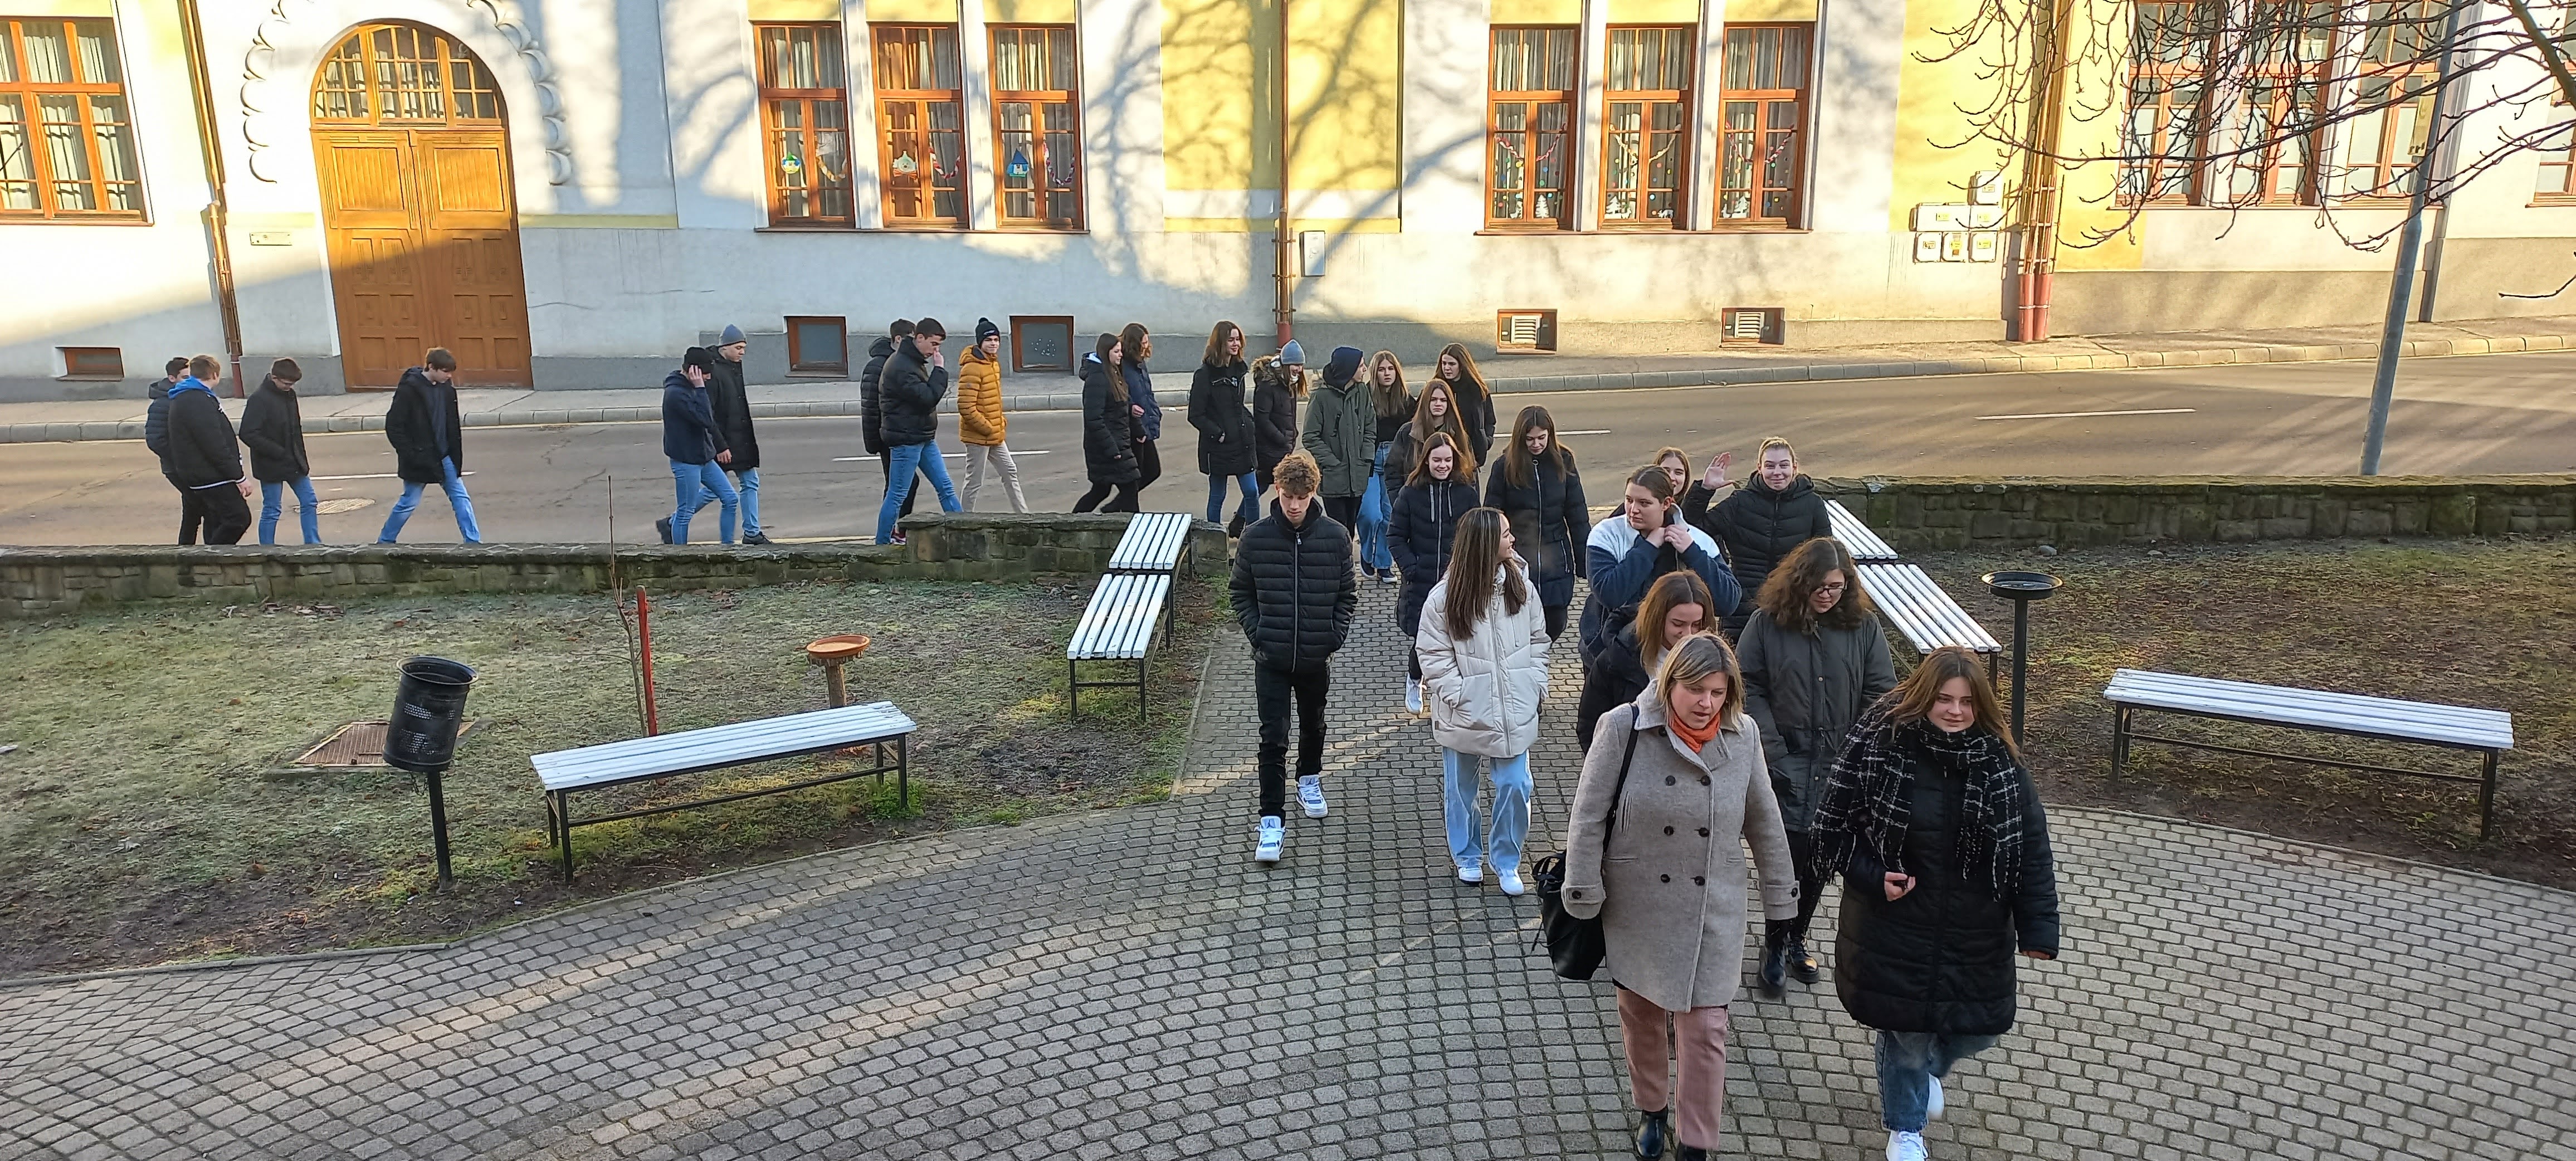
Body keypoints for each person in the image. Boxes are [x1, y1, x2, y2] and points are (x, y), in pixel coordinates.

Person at [1812, 647, 2061, 1161]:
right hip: (1895, 922)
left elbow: (2032, 848)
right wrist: (1874, 878)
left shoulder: (2001, 762)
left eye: (1966, 702)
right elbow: (1834, 831)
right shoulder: (1882, 746)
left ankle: (1929, 1071)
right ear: (1924, 696)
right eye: (1945, 699)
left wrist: (2038, 929)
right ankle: (1906, 1132)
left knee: (1979, 1031)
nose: (1955, 711)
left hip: (1976, 928)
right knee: (1906, 1035)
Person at [1562, 633, 1799, 1161]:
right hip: (1639, 903)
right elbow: (1588, 814)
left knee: (1708, 1027)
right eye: (1695, 690)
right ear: (1670, 683)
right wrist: (1582, 887)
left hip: (1714, 905)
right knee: (1642, 1016)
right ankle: (1652, 1108)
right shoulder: (1622, 727)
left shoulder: (1744, 735)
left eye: (1717, 692)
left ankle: (1696, 1142)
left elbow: (1764, 820)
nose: (1706, 703)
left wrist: (1781, 899)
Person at [1735, 536, 1897, 998]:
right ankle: (1774, 943)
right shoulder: (1766, 624)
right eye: (1820, 587)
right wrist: (1773, 749)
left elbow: (1880, 692)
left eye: (1837, 587)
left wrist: (1859, 751)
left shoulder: (1863, 627)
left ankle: (1796, 937)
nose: (1828, 595)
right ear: (1801, 582)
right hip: (1785, 761)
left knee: (1820, 860)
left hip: (1839, 766)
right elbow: (1747, 686)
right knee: (1784, 859)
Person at [1414, 506, 1549, 895]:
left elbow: (1539, 640)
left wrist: (1536, 684)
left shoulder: (1521, 587)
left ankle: (1507, 861)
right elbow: (1433, 654)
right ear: (1486, 543)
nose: (1513, 539)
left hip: (1514, 710)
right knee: (1461, 790)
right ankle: (1467, 855)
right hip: (1464, 713)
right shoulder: (1443, 598)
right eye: (1505, 534)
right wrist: (1460, 696)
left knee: (1517, 785)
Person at [1231, 449, 1358, 864]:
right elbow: (1240, 592)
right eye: (1288, 497)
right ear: (1278, 491)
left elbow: (1347, 595)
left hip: (1315, 656)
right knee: (1273, 737)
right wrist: (1259, 633)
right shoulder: (1256, 537)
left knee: (1313, 724)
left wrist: (1332, 637)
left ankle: (1309, 777)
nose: (1295, 506)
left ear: (1313, 493)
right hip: (1271, 657)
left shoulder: (1335, 537)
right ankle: (1271, 820)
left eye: (1302, 498)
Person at [1580, 465, 1740, 664]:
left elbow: (1728, 602)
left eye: (1644, 503)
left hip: (1677, 658)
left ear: (1666, 504)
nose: (1633, 510)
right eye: (1629, 500)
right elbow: (1610, 595)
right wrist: (1648, 548)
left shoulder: (1696, 539)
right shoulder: (1606, 533)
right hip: (1610, 655)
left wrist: (1692, 552)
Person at [1684, 436, 1829, 636]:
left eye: (1784, 465)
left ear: (1795, 467)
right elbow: (1693, 529)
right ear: (1759, 468)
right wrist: (1704, 490)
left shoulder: (1812, 504)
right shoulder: (1740, 503)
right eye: (1770, 466)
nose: (1777, 472)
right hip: (1742, 610)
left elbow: (1826, 555)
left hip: (1793, 606)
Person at [1387, 431, 1479, 715]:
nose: (1443, 465)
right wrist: (1411, 568)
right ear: (1426, 460)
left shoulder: (1466, 493)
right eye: (1437, 460)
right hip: (1422, 582)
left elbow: (1477, 536)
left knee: (1458, 638)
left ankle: (1448, 694)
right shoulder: (1411, 493)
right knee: (1423, 639)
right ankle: (1415, 680)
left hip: (1457, 580)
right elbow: (1395, 536)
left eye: (1448, 460)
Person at [1575, 569, 1715, 752]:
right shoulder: (1616, 660)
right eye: (1678, 624)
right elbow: (1590, 726)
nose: (1688, 634)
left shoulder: (1716, 662)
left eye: (1697, 625)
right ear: (1657, 619)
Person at [1484, 405, 1588, 639]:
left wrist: (1584, 561)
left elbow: (1577, 514)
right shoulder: (1504, 466)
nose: (1536, 444)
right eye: (1530, 439)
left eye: (1542, 438)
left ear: (1550, 435)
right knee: (1518, 624)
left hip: (1556, 556)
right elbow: (1492, 516)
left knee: (1555, 622)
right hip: (1518, 557)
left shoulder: (1564, 461)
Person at [378, 347, 481, 544]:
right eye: (445, 371)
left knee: (461, 498)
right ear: (431, 367)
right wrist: (412, 455)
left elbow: (451, 423)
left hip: (444, 456)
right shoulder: (409, 390)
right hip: (420, 458)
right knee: (409, 502)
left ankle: (473, 542)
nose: (449, 376)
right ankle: (385, 541)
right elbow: (394, 427)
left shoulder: (446, 388)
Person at [876, 318, 964, 544]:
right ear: (920, 338)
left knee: (945, 487)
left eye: (939, 346)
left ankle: (964, 534)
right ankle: (882, 543)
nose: (936, 351)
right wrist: (940, 370)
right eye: (934, 344)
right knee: (897, 494)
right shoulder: (902, 366)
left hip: (922, 436)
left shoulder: (912, 361)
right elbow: (927, 399)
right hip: (906, 439)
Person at [164, 354, 255, 545]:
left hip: (202, 473)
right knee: (238, 518)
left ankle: (211, 557)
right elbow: (214, 444)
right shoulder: (196, 400)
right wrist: (239, 477)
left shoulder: (193, 397)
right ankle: (212, 556)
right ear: (215, 375)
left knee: (216, 519)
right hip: (210, 475)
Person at [695, 324, 772, 543]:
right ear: (725, 348)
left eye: (744, 348)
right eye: (738, 348)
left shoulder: (732, 366)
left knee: (749, 481)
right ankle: (675, 521)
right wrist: (721, 446)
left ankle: (752, 532)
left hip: (739, 440)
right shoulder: (713, 372)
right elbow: (709, 414)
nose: (742, 352)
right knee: (716, 489)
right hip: (725, 443)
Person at [238, 358, 321, 545]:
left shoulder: (289, 395)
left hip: (294, 461)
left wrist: (300, 457)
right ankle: (267, 548)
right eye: (286, 384)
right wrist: (277, 451)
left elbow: (295, 430)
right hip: (271, 463)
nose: (289, 387)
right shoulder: (259, 399)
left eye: (292, 384)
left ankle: (313, 544)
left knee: (309, 501)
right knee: (272, 509)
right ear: (274, 378)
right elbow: (248, 433)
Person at [662, 346, 740, 544]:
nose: (708, 378)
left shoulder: (691, 388)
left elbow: (708, 420)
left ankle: (728, 548)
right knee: (685, 512)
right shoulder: (676, 394)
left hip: (704, 457)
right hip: (686, 461)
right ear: (693, 371)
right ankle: (680, 555)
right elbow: (706, 419)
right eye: (705, 374)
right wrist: (700, 388)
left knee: (730, 498)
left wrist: (718, 447)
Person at [1188, 321, 1258, 535]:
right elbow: (1195, 415)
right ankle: (1214, 540)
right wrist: (1218, 433)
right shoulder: (1205, 374)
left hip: (1242, 442)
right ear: (1220, 342)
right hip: (1218, 447)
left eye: (1238, 340)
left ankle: (1254, 537)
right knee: (1218, 495)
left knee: (1252, 492)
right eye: (1231, 340)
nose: (1236, 344)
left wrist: (1249, 423)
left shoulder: (1239, 370)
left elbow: (1237, 405)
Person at [860, 320, 925, 540]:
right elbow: (870, 409)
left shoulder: (897, 362)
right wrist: (875, 441)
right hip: (888, 435)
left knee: (901, 485)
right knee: (900, 486)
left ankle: (894, 532)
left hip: (895, 433)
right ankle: (891, 533)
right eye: (912, 338)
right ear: (899, 339)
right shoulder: (880, 366)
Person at [957, 318, 1030, 514]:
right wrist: (987, 427)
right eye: (989, 340)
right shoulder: (972, 367)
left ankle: (1024, 516)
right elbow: (966, 407)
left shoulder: (993, 364)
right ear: (980, 342)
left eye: (997, 340)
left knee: (1010, 471)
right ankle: (963, 520)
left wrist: (999, 422)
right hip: (978, 436)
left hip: (995, 434)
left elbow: (993, 400)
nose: (994, 344)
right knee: (974, 481)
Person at [1300, 345, 1372, 537]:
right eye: (1361, 366)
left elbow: (1370, 426)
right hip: (1333, 479)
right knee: (1338, 532)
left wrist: (1365, 457)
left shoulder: (1362, 392)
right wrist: (1332, 462)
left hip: (1357, 476)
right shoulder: (1321, 397)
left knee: (1350, 530)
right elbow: (1310, 436)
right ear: (1348, 369)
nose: (1365, 369)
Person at [1354, 350, 1411, 584]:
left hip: (1394, 461)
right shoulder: (1365, 396)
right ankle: (1367, 554)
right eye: (1382, 369)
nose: (1387, 374)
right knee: (1370, 514)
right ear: (1374, 372)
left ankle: (1384, 564)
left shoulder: (1406, 399)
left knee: (1389, 516)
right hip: (1370, 460)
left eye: (1391, 369)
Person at [1074, 333, 1143, 513]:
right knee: (1129, 488)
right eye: (1117, 352)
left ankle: (1073, 520)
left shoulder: (1113, 373)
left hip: (1117, 444)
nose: (1121, 355)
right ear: (1106, 353)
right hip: (1108, 448)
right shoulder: (1097, 379)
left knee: (1101, 490)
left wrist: (1138, 429)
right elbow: (1094, 419)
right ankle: (1131, 526)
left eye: (1121, 351)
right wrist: (1112, 449)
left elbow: (1123, 405)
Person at [143, 356, 199, 544]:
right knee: (201, 507)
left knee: (193, 510)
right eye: (185, 378)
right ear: (172, 378)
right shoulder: (162, 404)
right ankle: (195, 551)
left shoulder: (189, 397)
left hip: (189, 466)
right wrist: (183, 457)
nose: (190, 381)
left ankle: (187, 550)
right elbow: (155, 440)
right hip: (177, 469)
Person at [1388, 378, 1471, 488]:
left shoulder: (1458, 434)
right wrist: (1400, 497)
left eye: (1443, 400)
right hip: (1415, 495)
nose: (1438, 404)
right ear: (1426, 401)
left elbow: (1470, 472)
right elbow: (1393, 470)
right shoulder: (1408, 432)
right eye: (1433, 400)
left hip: (1451, 497)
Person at [1252, 340, 1306, 495]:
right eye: (1296, 365)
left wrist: (1292, 435)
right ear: (1286, 365)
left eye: (1301, 365)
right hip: (1269, 449)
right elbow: (1262, 419)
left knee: (1283, 489)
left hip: (1284, 447)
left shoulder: (1290, 384)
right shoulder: (1267, 386)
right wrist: (1281, 438)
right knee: (1271, 487)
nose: (1299, 369)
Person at [1118, 323, 1164, 502]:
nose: (1146, 346)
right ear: (1133, 344)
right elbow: (1119, 392)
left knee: (1151, 471)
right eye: (1143, 343)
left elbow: (1146, 392)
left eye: (1147, 342)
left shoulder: (1139, 362)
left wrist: (1155, 413)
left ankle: (1118, 506)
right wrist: (1130, 406)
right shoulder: (1122, 364)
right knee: (1140, 473)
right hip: (1133, 425)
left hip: (1145, 422)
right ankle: (1119, 507)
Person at [1431, 343, 1496, 465]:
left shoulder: (1477, 390)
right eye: (1444, 363)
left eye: (1452, 364)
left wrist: (1486, 442)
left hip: (1471, 457)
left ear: (1462, 365)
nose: (1446, 368)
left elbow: (1490, 421)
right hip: (1442, 456)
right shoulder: (1435, 389)